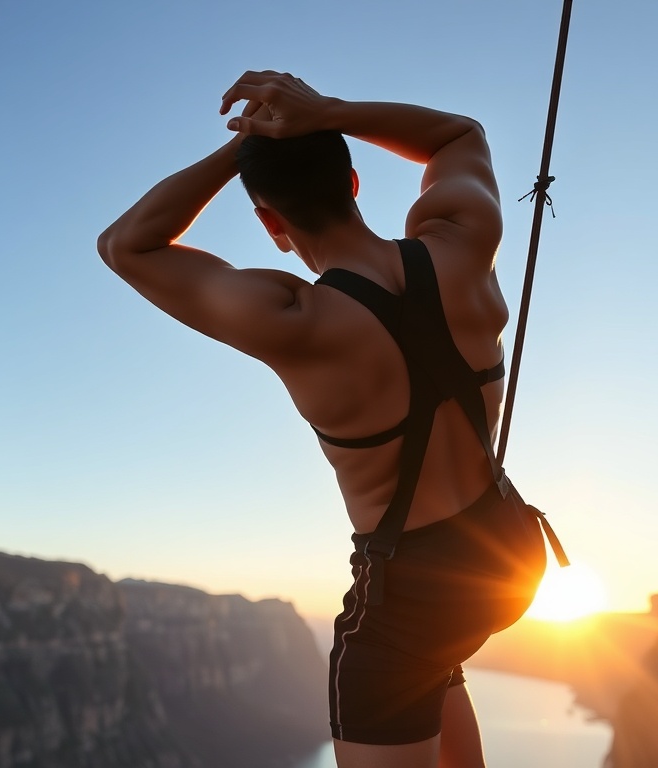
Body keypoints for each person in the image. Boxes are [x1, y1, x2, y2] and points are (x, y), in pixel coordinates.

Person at [97, 70, 557, 768]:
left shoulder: (294, 321)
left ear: (271, 226)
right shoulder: (463, 242)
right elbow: (461, 134)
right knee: (437, 657)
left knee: (412, 653)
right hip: (506, 553)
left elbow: (125, 245)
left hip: (409, 602)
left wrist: (242, 149)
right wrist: (323, 113)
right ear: (354, 182)